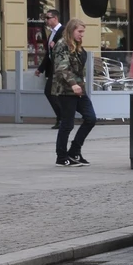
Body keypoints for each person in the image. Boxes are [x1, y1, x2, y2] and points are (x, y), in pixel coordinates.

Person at [51, 19, 96, 167]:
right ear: (71, 30)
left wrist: (79, 85)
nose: (82, 35)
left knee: (90, 118)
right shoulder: (62, 45)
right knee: (67, 124)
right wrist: (73, 84)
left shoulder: (77, 46)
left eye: (83, 32)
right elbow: (61, 68)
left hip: (79, 89)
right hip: (65, 90)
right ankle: (61, 156)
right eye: (80, 31)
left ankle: (74, 150)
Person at [34, 9, 64, 129]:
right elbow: (48, 54)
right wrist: (40, 69)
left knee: (51, 92)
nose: (46, 20)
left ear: (55, 18)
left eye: (48, 18)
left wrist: (55, 46)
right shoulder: (51, 32)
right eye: (45, 18)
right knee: (52, 93)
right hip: (53, 68)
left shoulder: (63, 31)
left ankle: (63, 118)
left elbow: (66, 48)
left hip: (61, 68)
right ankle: (61, 118)